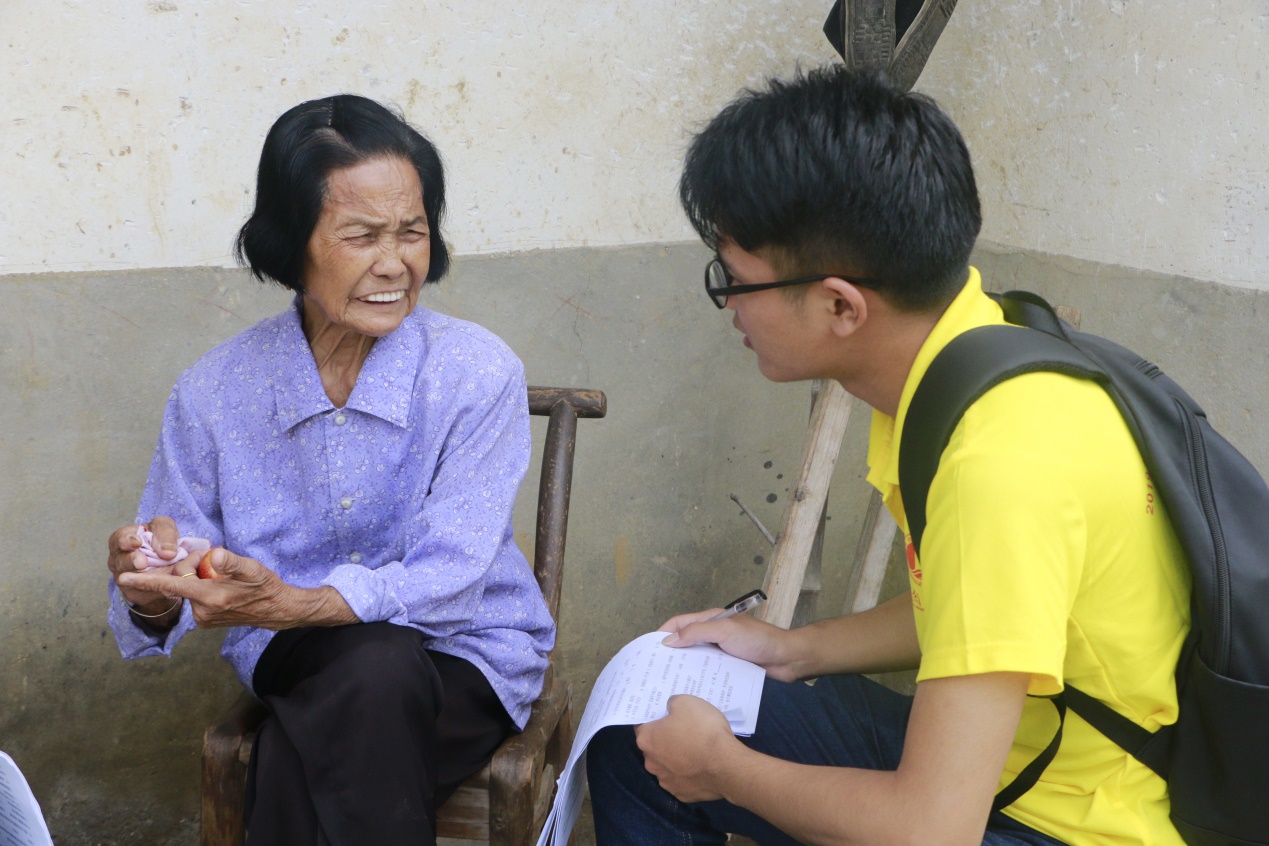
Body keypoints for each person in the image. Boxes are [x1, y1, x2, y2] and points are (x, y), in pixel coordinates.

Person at [587, 67, 1190, 845]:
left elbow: (929, 830)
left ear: (841, 304)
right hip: (1013, 770)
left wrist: (723, 771)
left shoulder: (997, 465)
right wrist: (793, 648)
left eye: (733, 282)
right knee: (638, 738)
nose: (729, 307)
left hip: (1069, 825)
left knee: (690, 761)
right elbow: (975, 606)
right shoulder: (977, 354)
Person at [106, 94, 554, 845]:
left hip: (464, 657)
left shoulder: (474, 370)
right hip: (299, 662)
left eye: (412, 231)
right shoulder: (214, 390)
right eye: (361, 236)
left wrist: (301, 603)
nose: (395, 263)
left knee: (349, 698)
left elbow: (451, 574)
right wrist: (154, 586)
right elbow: (180, 566)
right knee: (368, 676)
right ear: (292, 243)